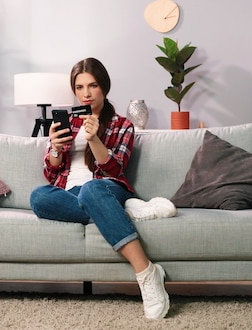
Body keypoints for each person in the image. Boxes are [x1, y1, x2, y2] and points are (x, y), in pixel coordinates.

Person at [29, 57, 170, 320]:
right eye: (79, 87)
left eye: (92, 86)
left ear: (103, 87)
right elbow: (51, 174)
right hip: (70, 193)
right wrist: (56, 150)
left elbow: (115, 169)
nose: (86, 93)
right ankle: (121, 212)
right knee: (38, 197)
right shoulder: (66, 123)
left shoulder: (121, 125)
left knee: (92, 191)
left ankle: (147, 272)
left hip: (107, 188)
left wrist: (93, 139)